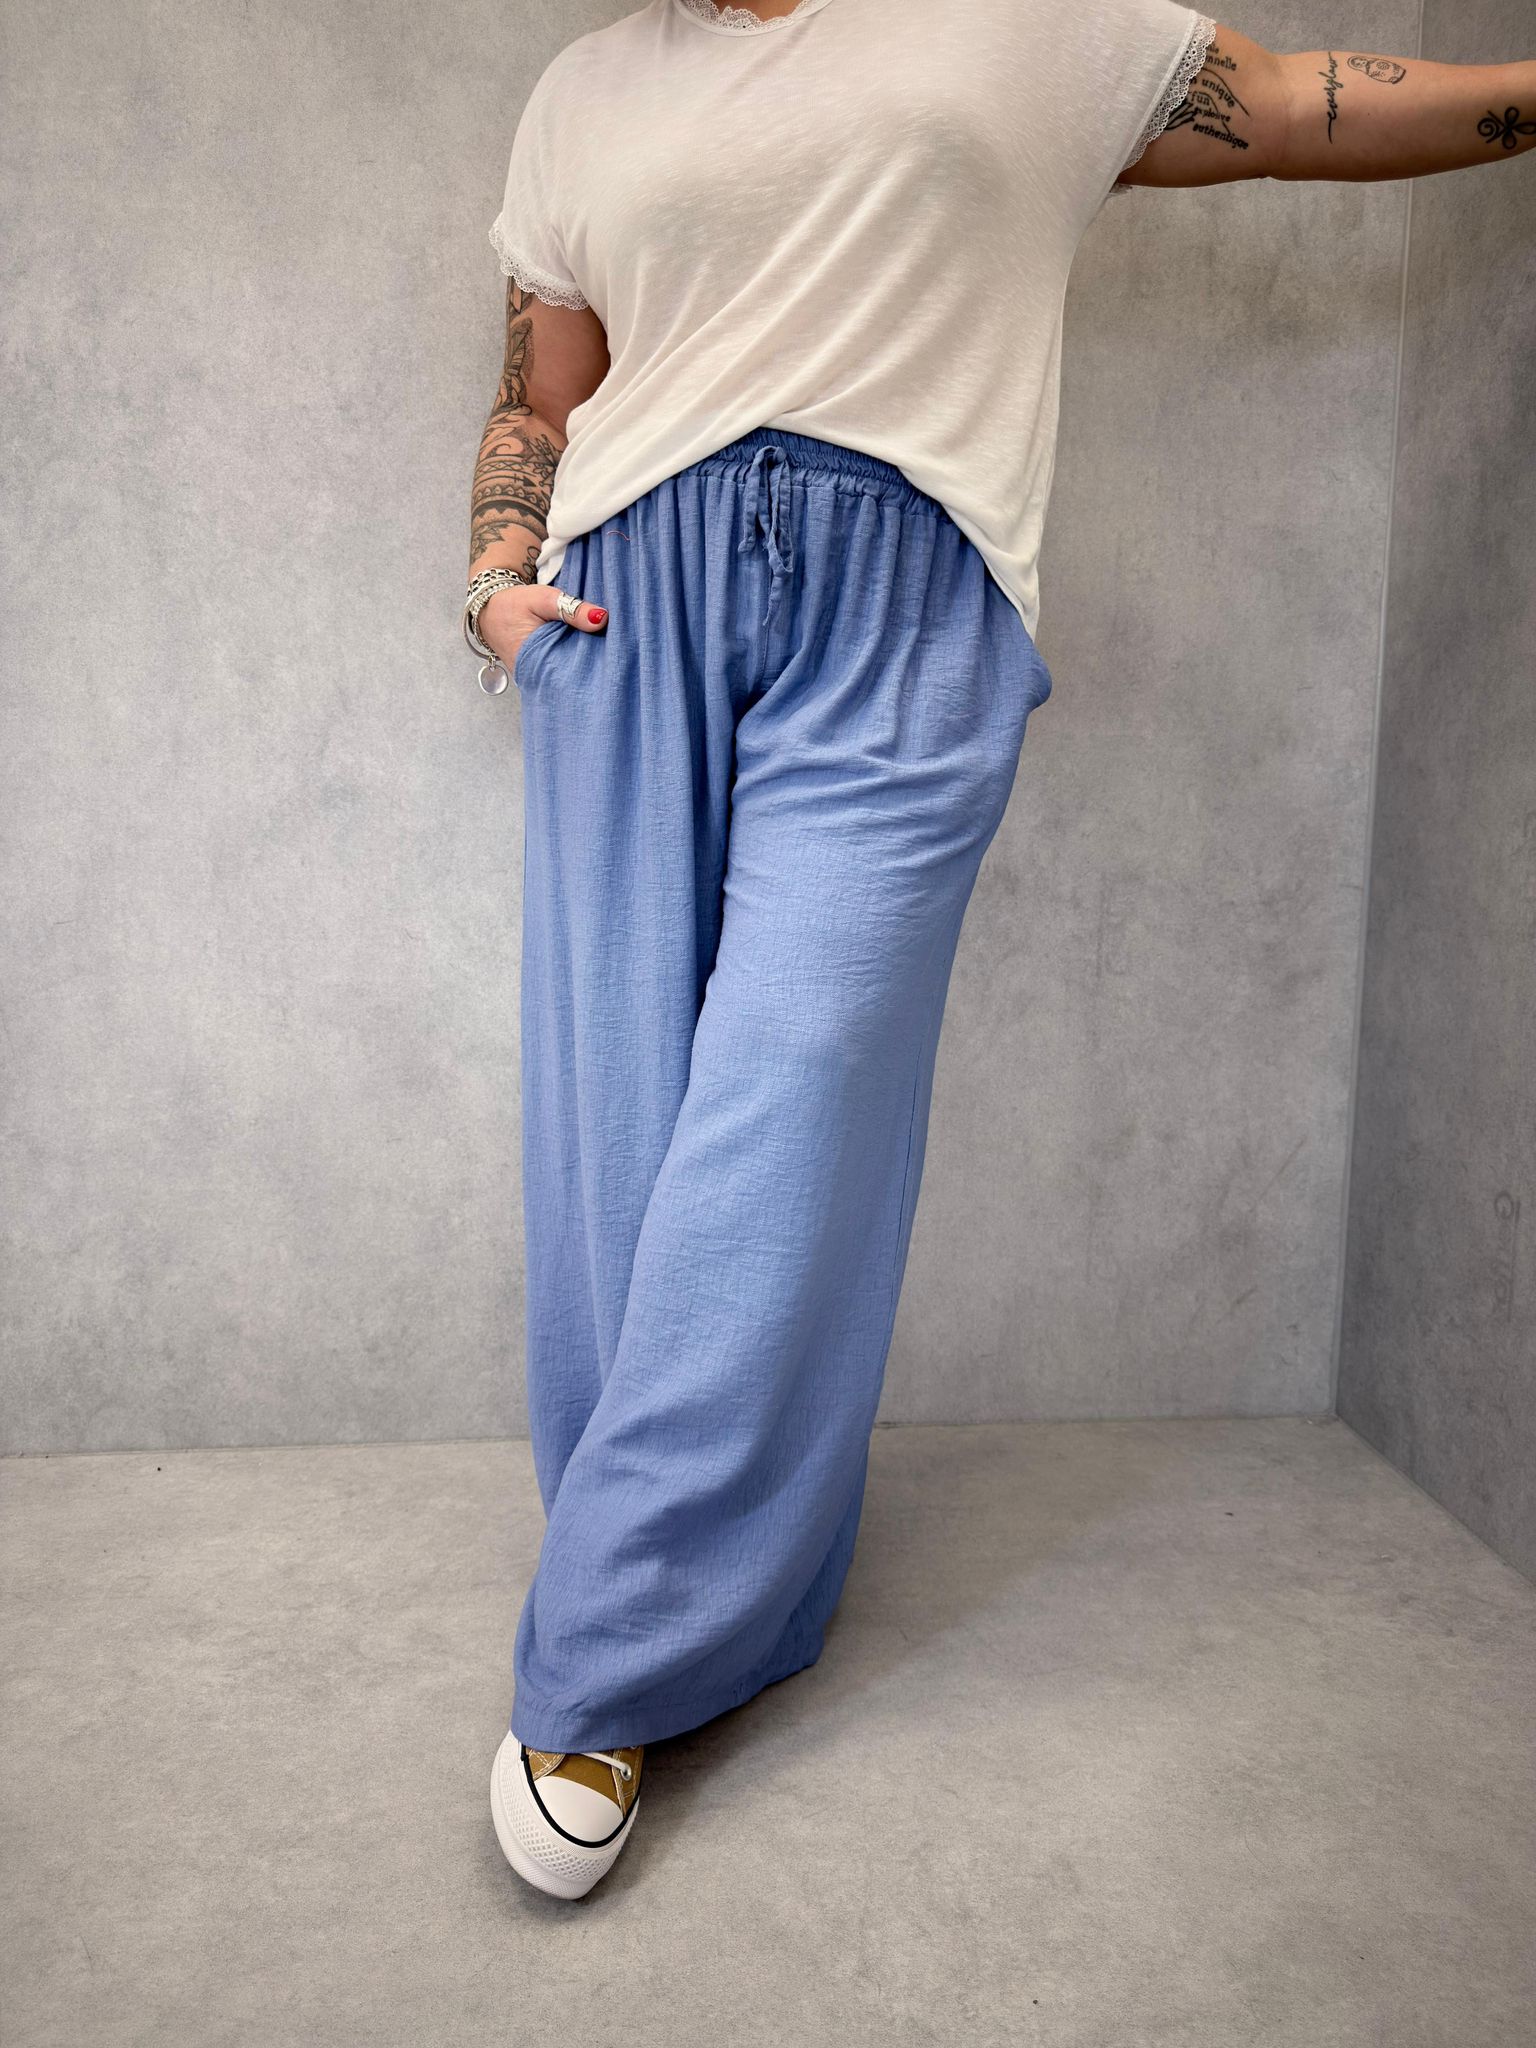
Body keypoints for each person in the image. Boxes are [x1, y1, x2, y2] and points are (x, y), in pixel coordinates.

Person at [467, 0, 1534, 1901]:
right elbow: (543, 401)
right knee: (623, 1121)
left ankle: (604, 1660)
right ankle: (690, 1575)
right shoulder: (582, 90)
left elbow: (1302, 105)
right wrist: (492, 578)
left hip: (907, 610)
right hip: (626, 607)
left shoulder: (1029, 23)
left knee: (791, 1101)